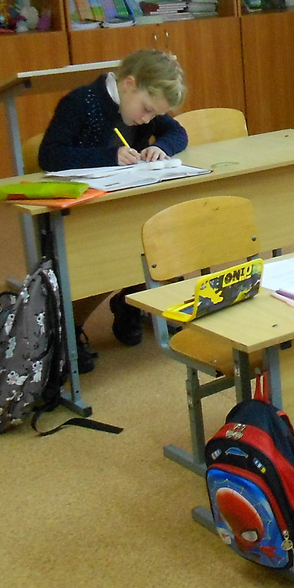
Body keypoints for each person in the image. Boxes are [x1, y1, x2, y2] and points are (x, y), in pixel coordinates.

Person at [38, 49, 188, 366]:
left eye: (154, 115)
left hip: (126, 202)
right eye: (146, 110)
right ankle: (70, 330)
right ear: (129, 84)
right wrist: (109, 157)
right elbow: (50, 155)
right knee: (106, 261)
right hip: (83, 212)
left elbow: (177, 132)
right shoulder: (82, 102)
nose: (146, 120)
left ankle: (131, 303)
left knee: (159, 239)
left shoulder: (145, 104)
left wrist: (160, 146)